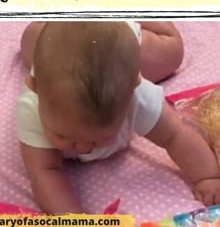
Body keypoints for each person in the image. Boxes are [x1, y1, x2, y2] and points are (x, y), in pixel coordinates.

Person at [17, 21, 220, 214]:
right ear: (35, 88)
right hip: (53, 42)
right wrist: (75, 218)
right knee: (31, 40)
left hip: (119, 39)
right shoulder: (33, 109)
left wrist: (207, 177)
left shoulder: (136, 97)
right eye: (62, 136)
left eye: (99, 139)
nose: (82, 148)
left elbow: (175, 135)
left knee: (172, 51)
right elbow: (45, 173)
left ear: (134, 87)